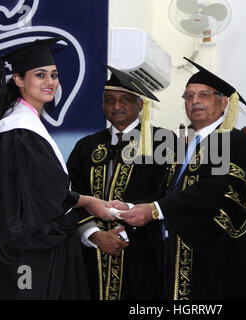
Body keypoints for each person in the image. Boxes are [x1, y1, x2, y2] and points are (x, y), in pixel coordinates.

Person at [0, 38, 114, 299]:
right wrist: (90, 201)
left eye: (54, 75)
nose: (50, 82)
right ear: (19, 80)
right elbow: (44, 196)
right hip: (26, 254)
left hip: (24, 244)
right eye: (40, 75)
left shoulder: (25, 125)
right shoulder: (19, 132)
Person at [112, 57, 246, 300]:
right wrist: (131, 208)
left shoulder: (235, 142)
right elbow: (167, 193)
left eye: (204, 94)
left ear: (224, 102)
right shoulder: (185, 145)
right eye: (189, 96)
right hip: (175, 257)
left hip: (213, 262)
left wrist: (155, 210)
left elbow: (214, 191)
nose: (195, 101)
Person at [66, 64, 175, 300]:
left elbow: (168, 193)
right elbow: (70, 195)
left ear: (140, 104)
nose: (116, 106)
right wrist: (94, 235)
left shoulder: (162, 142)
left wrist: (124, 233)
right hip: (91, 257)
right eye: (109, 99)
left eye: (125, 99)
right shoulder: (86, 147)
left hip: (141, 255)